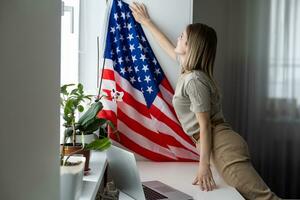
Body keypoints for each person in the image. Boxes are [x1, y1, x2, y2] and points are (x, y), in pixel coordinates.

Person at [129, 2, 280, 200]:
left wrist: (204, 166)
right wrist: (146, 22)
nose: (178, 37)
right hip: (219, 143)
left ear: (191, 46)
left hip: (222, 145)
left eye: (182, 36)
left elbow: (205, 124)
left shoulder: (193, 80)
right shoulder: (189, 73)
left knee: (264, 198)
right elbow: (167, 45)